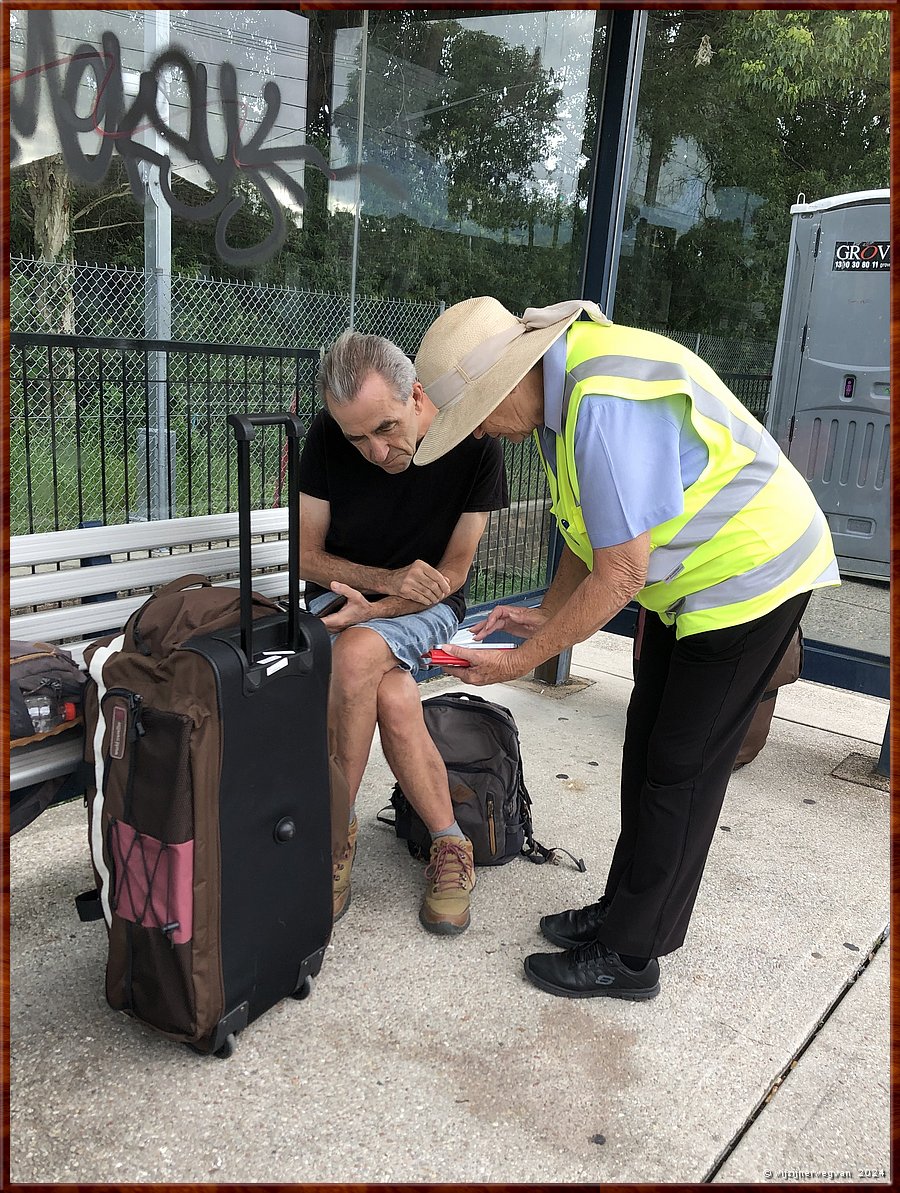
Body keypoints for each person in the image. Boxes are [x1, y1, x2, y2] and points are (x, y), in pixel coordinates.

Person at [412, 296, 839, 998]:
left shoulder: (601, 402)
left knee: (680, 769)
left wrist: (521, 661)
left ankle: (632, 957)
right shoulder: (565, 394)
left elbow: (622, 572)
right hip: (700, 584)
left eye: (478, 415)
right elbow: (593, 534)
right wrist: (540, 615)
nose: (487, 432)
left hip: (752, 574)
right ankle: (621, 910)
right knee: (647, 744)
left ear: (508, 379)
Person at [300, 329, 508, 935]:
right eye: (355, 436)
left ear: (417, 396)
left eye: (386, 428)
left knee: (359, 655)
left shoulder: (476, 443)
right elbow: (306, 556)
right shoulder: (326, 436)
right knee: (391, 694)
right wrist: (381, 582)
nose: (373, 450)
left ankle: (333, 835)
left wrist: (377, 610)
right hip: (343, 595)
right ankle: (451, 844)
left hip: (427, 605)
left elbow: (453, 572)